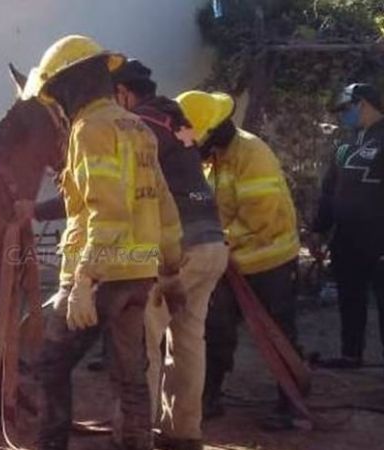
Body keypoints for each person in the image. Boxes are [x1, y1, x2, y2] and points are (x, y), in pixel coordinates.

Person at [22, 35, 185, 450]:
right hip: (139, 274)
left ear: (69, 85)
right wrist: (170, 271)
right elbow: (163, 203)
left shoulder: (89, 128)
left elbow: (107, 211)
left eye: (55, 93)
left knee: (51, 363)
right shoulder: (137, 127)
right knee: (130, 376)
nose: (56, 103)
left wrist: (82, 282)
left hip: (101, 276)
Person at [110, 61, 227, 450]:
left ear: (124, 93)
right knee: (189, 340)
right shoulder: (177, 118)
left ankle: (135, 435)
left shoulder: (135, 127)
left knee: (143, 341)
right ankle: (183, 434)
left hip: (175, 251)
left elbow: (116, 189)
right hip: (211, 242)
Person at [176, 91, 301, 429]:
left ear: (212, 131)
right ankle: (209, 396)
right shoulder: (213, 158)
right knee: (214, 328)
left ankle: (292, 405)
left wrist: (217, 243)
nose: (187, 143)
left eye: (190, 135)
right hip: (229, 260)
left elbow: (259, 216)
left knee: (277, 333)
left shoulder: (252, 153)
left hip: (268, 259)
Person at [311, 83, 384, 369]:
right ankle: (350, 354)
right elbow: (330, 191)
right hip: (347, 240)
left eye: (346, 109)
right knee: (350, 299)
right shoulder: (345, 145)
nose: (344, 116)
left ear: (363, 103)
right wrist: (318, 229)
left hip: (379, 240)